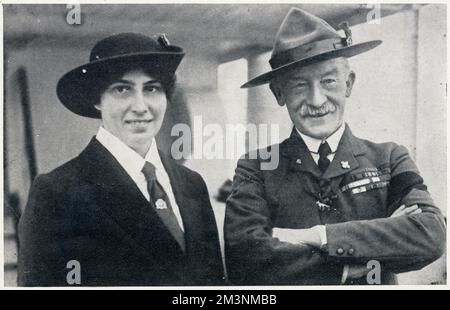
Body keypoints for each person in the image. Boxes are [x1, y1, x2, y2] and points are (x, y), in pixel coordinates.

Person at [224, 8, 446, 285]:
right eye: (299, 85)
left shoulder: (390, 158)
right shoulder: (256, 167)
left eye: (328, 81)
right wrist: (350, 266)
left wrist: (315, 236)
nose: (317, 100)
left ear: (348, 84)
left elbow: (430, 235)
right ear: (279, 94)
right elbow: (244, 260)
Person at [18, 32, 224, 286]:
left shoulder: (192, 184)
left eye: (151, 88)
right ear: (97, 100)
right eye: (122, 89)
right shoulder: (57, 192)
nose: (140, 106)